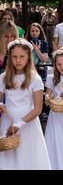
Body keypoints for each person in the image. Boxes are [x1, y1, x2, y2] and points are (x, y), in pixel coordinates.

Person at [0, 39, 51, 169]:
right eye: (14, 57)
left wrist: (19, 123)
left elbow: (38, 108)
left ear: (28, 57)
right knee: (9, 158)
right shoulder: (4, 77)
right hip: (8, 122)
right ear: (10, 57)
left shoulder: (35, 78)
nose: (18, 60)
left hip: (27, 123)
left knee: (28, 157)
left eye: (22, 56)